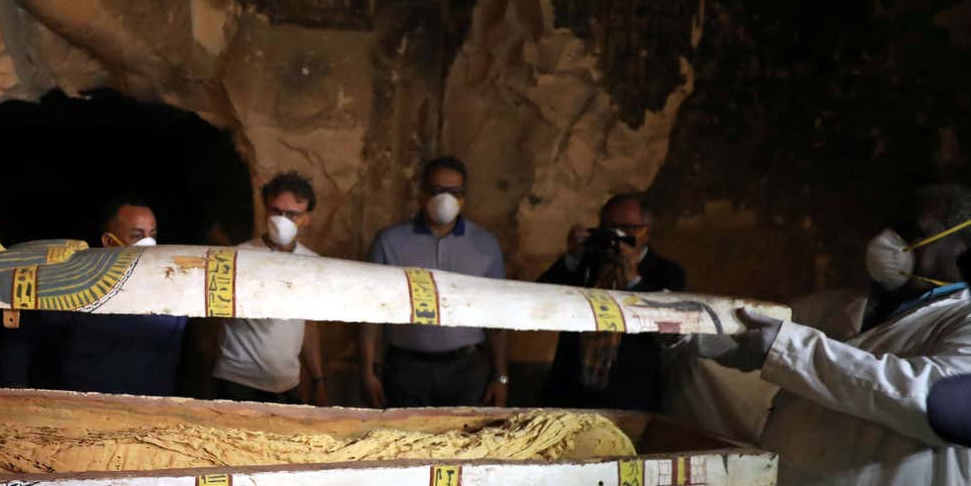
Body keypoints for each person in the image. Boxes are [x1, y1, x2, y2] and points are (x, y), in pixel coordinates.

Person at [702, 183, 971, 486]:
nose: (889, 241)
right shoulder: (849, 305)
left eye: (914, 231)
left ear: (966, 245)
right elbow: (764, 330)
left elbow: (932, 399)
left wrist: (790, 350)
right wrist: (691, 327)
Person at [360, 156, 509, 408]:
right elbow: (368, 312)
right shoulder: (390, 242)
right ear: (421, 193)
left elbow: (498, 317)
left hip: (468, 370)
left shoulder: (485, 246)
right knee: (407, 442)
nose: (445, 198)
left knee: (465, 443)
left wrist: (501, 376)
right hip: (407, 369)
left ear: (463, 197)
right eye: (437, 190)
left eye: (454, 191)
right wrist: (367, 371)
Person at [10, 196, 188, 396]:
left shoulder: (176, 291)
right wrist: (17, 393)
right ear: (110, 242)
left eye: (152, 234)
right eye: (137, 236)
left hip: (150, 416)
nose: (149, 243)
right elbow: (21, 342)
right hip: (82, 414)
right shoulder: (78, 291)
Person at [539, 194, 687, 410]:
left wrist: (634, 281)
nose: (616, 236)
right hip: (571, 390)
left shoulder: (667, 273)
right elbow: (542, 296)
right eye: (609, 227)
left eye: (627, 229)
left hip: (629, 392)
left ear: (646, 231)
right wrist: (572, 256)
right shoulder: (587, 260)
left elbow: (669, 326)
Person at [211, 172, 327, 405]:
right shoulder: (237, 256)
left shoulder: (312, 262)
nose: (282, 220)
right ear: (264, 209)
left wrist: (318, 379)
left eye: (292, 214)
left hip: (287, 384)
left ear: (307, 218)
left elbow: (308, 325)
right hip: (237, 382)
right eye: (276, 211)